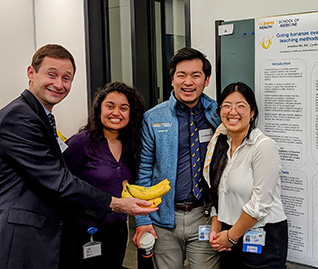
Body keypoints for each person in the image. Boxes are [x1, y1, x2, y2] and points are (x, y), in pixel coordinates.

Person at [0, 44, 156, 269]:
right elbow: (59, 179)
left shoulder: (41, 116)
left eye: (67, 78)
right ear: (31, 73)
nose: (59, 84)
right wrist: (117, 204)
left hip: (55, 231)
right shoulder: (20, 117)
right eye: (51, 74)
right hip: (25, 233)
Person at [132, 47, 221, 269]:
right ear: (172, 80)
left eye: (196, 75)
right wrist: (143, 221)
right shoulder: (154, 118)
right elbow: (143, 171)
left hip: (205, 216)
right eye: (181, 75)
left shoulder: (218, 115)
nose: (188, 82)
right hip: (163, 219)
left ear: (206, 80)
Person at [61, 82, 146, 268]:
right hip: (82, 230)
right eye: (110, 106)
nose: (116, 112)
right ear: (99, 109)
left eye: (124, 108)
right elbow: (61, 184)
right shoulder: (80, 143)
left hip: (117, 229)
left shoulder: (133, 145)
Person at [204, 82, 288, 268]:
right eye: (226, 105)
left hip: (261, 238)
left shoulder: (263, 146)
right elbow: (219, 191)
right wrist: (216, 227)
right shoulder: (220, 145)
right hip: (229, 236)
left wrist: (231, 237)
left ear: (252, 113)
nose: (232, 111)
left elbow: (260, 203)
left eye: (241, 106)